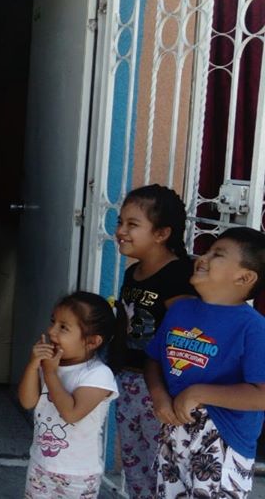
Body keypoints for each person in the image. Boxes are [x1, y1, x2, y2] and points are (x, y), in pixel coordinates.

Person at [145, 227, 265, 498]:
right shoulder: (180, 310)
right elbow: (153, 360)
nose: (203, 257)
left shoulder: (253, 327)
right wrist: (159, 397)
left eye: (217, 254)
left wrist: (198, 393)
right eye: (207, 250)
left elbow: (262, 394)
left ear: (244, 277)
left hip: (223, 439)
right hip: (174, 431)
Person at [108, 184, 196, 498]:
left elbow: (182, 340)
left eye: (132, 224)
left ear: (161, 234)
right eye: (120, 222)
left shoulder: (178, 275)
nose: (120, 231)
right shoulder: (133, 273)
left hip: (160, 390)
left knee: (165, 469)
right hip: (130, 384)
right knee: (136, 467)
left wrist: (167, 393)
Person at [18, 292, 118, 499]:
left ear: (92, 341)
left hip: (79, 475)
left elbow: (71, 414)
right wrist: (32, 366)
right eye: (53, 322)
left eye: (63, 327)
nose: (51, 331)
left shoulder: (98, 374)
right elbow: (28, 402)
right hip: (40, 464)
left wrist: (49, 373)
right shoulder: (50, 365)